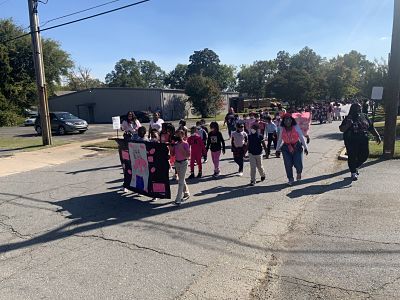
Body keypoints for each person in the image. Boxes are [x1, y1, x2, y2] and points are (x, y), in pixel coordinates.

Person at [339, 103, 381, 181]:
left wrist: (377, 135)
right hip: (351, 140)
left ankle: (355, 167)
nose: (360, 109)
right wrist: (348, 125)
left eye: (360, 108)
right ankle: (353, 173)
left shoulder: (364, 116)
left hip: (363, 139)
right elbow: (341, 129)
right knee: (352, 156)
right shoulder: (348, 118)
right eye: (357, 108)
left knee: (365, 155)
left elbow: (371, 127)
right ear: (353, 109)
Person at [276, 113, 309, 186]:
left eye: (289, 120)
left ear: (291, 120)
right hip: (286, 148)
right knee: (288, 164)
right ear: (283, 121)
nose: (287, 122)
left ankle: (299, 172)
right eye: (286, 120)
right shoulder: (281, 128)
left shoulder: (296, 127)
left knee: (298, 164)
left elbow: (301, 137)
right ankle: (290, 179)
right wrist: (277, 149)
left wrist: (306, 147)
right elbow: (280, 139)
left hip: (297, 146)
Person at [171, 130, 190, 206]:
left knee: (180, 181)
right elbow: (172, 154)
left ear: (182, 135)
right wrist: (171, 147)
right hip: (177, 163)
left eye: (179, 135)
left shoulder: (185, 144)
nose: (177, 136)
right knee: (181, 179)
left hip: (183, 163)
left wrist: (181, 147)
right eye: (176, 135)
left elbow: (188, 155)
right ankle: (187, 193)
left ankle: (178, 200)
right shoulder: (175, 144)